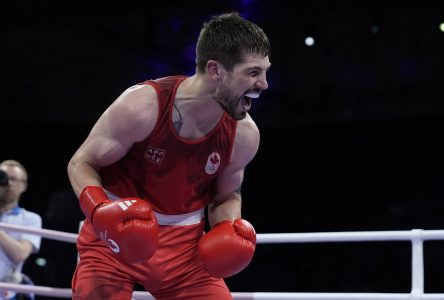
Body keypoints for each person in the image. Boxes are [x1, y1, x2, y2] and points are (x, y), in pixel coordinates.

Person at [67, 11, 271, 300]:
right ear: (215, 69)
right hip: (113, 239)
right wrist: (100, 210)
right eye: (253, 72)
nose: (264, 84)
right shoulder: (143, 105)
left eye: (265, 71)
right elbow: (82, 163)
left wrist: (228, 228)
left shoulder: (244, 135)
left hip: (183, 251)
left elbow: (226, 195)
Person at [0, 160, 42, 300]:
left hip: (6, 294)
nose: (7, 183)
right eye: (3, 177)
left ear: (23, 186)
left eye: (12, 178)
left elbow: (19, 254)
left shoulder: (31, 219)